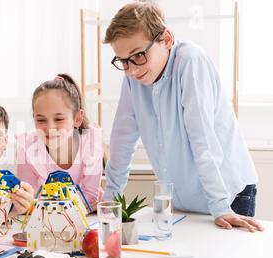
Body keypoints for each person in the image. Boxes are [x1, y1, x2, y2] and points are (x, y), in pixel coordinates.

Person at [102, 1, 263, 232]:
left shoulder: (190, 61)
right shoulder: (134, 77)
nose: (131, 70)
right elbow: (122, 138)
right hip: (185, 200)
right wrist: (109, 204)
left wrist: (221, 206)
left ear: (166, 39)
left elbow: (203, 140)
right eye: (123, 61)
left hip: (227, 196)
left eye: (138, 56)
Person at [16, 74, 103, 211]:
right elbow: (29, 201)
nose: (50, 128)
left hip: (86, 220)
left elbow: (90, 196)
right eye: (41, 120)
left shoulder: (91, 141)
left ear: (77, 119)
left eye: (58, 119)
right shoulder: (27, 148)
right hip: (44, 223)